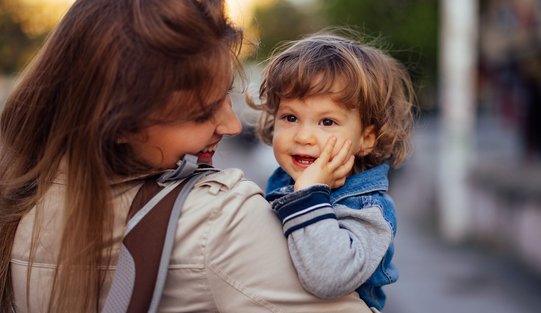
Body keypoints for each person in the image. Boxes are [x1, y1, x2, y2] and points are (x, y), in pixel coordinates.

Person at [0, 1, 375, 312]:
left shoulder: (17, 195)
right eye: (200, 114)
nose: (230, 125)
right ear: (118, 126)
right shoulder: (218, 220)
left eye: (226, 94)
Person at [250, 30, 417, 311]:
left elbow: (328, 278)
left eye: (327, 122)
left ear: (366, 138)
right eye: (290, 117)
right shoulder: (281, 182)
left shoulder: (367, 208)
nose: (304, 136)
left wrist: (309, 195)